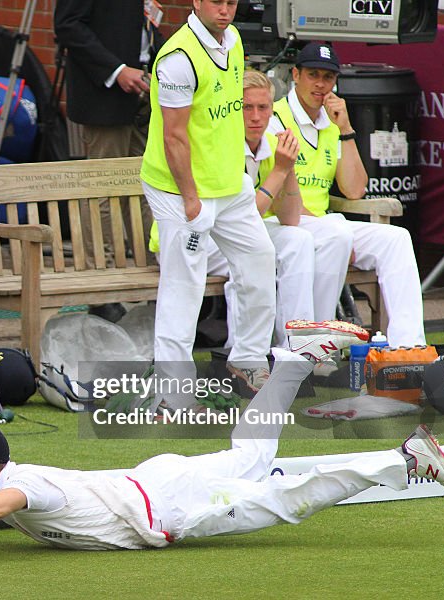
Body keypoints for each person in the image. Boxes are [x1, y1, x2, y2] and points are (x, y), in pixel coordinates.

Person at [0, 320, 444, 553]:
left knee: (285, 497)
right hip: (154, 480)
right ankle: (295, 360)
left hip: (168, 508)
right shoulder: (0, 489)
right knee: (253, 452)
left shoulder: (19, 487)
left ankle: (399, 458)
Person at [141, 0, 276, 402]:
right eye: (215, 1)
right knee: (183, 285)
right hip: (179, 189)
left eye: (231, 1)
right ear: (197, 1)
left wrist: (236, 175)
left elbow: (222, 117)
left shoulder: (233, 39)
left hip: (228, 184)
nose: (225, 9)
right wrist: (191, 200)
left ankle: (248, 361)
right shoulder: (178, 58)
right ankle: (173, 392)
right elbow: (174, 136)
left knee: (259, 257)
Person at [270, 42, 425, 347]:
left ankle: (407, 346)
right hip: (281, 223)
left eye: (328, 77)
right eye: (313, 75)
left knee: (396, 239)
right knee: (336, 234)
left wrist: (346, 128)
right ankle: (310, 343)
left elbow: (355, 189)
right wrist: (334, 228)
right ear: (295, 75)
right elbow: (276, 197)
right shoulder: (275, 118)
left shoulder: (331, 122)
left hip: (324, 225)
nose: (320, 84)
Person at [196, 69, 354, 348]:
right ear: (234, 109)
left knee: (300, 239)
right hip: (199, 238)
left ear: (271, 110)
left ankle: (303, 346)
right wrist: (280, 170)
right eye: (247, 107)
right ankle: (252, 353)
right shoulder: (221, 144)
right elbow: (244, 218)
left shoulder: (269, 143)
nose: (256, 116)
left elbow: (291, 218)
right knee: (258, 252)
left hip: (237, 235)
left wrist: (288, 166)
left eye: (263, 107)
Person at [55, 0, 163, 287]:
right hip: (104, 94)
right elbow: (68, 25)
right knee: (103, 188)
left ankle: (149, 271)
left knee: (144, 187)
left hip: (144, 92)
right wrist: (116, 70)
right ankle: (102, 279)